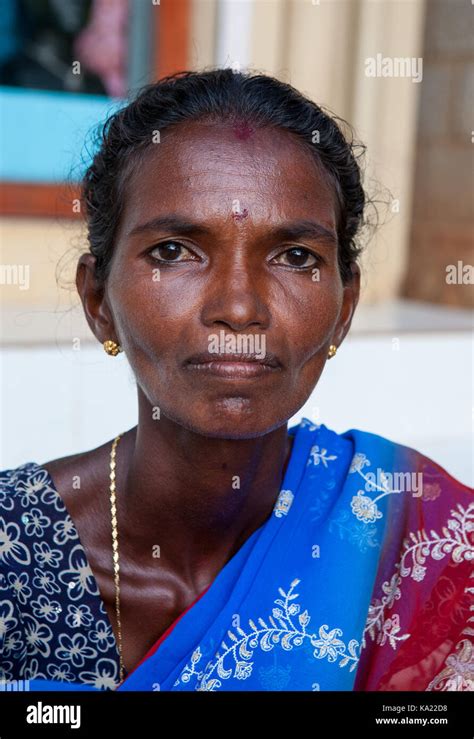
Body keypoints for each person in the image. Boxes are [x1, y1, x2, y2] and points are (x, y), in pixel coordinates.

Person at [0, 69, 472, 692]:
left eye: (296, 256)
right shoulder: (13, 552)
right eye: (174, 251)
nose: (240, 306)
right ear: (98, 300)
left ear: (345, 306)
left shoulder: (421, 543)